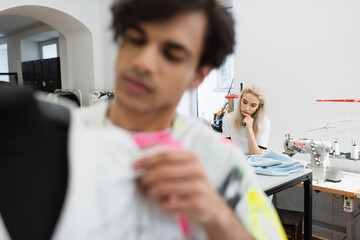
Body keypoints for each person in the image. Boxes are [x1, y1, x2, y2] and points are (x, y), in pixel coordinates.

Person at [0, 0, 285, 239]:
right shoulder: (58, 143)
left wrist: (216, 216)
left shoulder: (220, 164)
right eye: (136, 39)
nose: (144, 62)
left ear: (199, 73)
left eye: (171, 53)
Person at [222, 85, 270, 156]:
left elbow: (256, 154)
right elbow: (226, 150)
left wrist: (249, 130)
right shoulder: (228, 119)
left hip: (256, 161)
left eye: (253, 105)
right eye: (244, 102)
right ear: (240, 100)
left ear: (258, 107)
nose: (247, 108)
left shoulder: (264, 123)